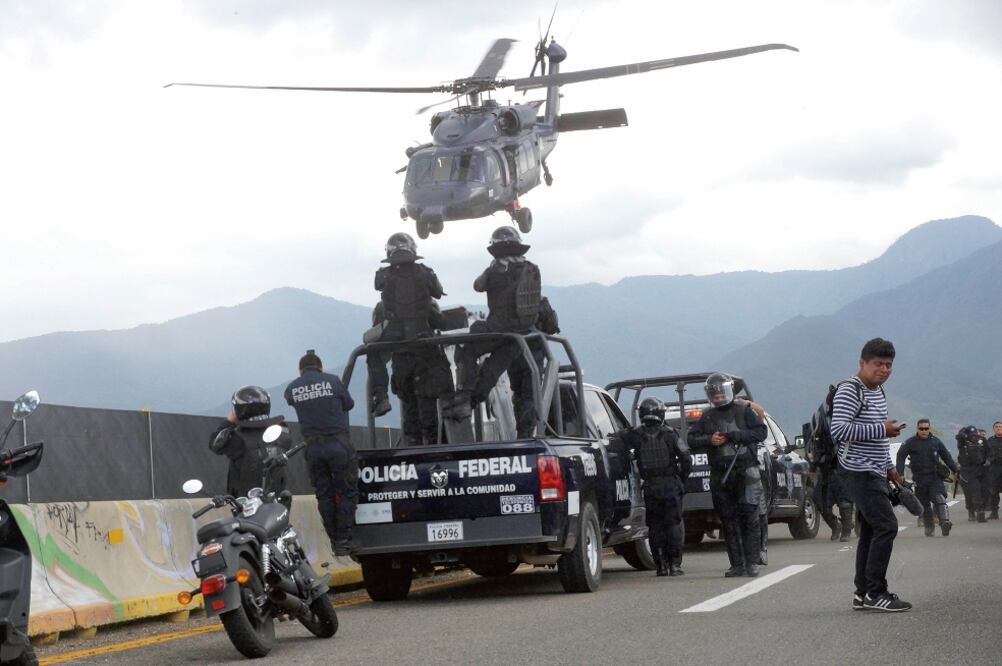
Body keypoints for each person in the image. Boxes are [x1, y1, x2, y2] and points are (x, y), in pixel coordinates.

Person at [457, 226, 559, 438]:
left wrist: (492, 268)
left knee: (468, 348)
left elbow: (478, 285)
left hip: (501, 332)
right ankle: (525, 438)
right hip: (530, 342)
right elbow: (551, 325)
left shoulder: (495, 270)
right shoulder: (532, 269)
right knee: (527, 396)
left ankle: (466, 398)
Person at [832, 337, 910, 612]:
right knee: (886, 526)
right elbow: (839, 430)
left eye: (889, 365)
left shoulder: (879, 392)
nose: (884, 370)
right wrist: (882, 429)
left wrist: (889, 468)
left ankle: (862, 593)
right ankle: (876, 592)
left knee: (870, 530)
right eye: (878, 364)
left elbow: (878, 439)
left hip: (874, 470)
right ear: (862, 362)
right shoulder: (849, 390)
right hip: (856, 469)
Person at [367, 232, 455, 446]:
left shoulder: (384, 276)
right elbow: (438, 298)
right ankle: (451, 405)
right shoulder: (425, 273)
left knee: (409, 413)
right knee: (428, 412)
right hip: (426, 349)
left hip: (400, 352)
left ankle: (380, 396)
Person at [688, 372, 767, 578]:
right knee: (728, 521)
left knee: (749, 518)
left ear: (729, 390)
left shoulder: (744, 411)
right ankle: (737, 565)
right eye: (714, 393)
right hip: (721, 474)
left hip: (746, 471)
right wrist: (709, 439)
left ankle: (752, 563)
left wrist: (738, 435)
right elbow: (691, 438)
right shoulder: (707, 416)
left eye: (721, 392)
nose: (719, 396)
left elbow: (761, 432)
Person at [284, 349, 357, 555]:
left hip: (313, 448)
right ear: (321, 367)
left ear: (300, 371)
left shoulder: (292, 388)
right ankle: (344, 539)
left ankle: (333, 540)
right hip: (338, 444)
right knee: (346, 491)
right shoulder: (332, 381)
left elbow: (291, 400)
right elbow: (349, 404)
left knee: (324, 495)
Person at [616, 397, 692, 576]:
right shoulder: (670, 433)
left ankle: (661, 566)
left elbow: (618, 444)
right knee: (673, 524)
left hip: (650, 486)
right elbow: (686, 459)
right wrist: (680, 478)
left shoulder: (634, 435)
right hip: (670, 484)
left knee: (655, 526)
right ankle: (675, 565)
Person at [209, 386, 291, 497]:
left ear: (240, 409)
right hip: (276, 494)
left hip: (246, 498)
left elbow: (215, 445)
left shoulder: (237, 438)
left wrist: (228, 422)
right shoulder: (281, 430)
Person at [895, 419, 959, 537]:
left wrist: (956, 471)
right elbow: (900, 457)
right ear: (917, 429)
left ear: (929, 429)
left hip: (934, 477)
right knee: (925, 505)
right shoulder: (910, 442)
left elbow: (947, 457)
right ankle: (929, 528)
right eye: (921, 429)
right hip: (919, 478)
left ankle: (945, 522)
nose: (924, 431)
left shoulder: (936, 442)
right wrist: (900, 474)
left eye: (926, 428)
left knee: (939, 498)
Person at [956, 425, 990, 523]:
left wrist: (988, 460)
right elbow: (959, 437)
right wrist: (964, 432)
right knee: (974, 492)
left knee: (985, 491)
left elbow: (989, 453)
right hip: (968, 471)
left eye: (974, 435)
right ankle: (977, 512)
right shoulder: (962, 442)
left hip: (982, 469)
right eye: (971, 435)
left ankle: (981, 509)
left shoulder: (982, 440)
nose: (973, 437)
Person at [986, 421, 1002, 520]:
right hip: (994, 469)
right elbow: (985, 453)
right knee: (993, 492)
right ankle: (994, 512)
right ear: (993, 429)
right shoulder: (990, 441)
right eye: (997, 427)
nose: (999, 428)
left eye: (1000, 426)